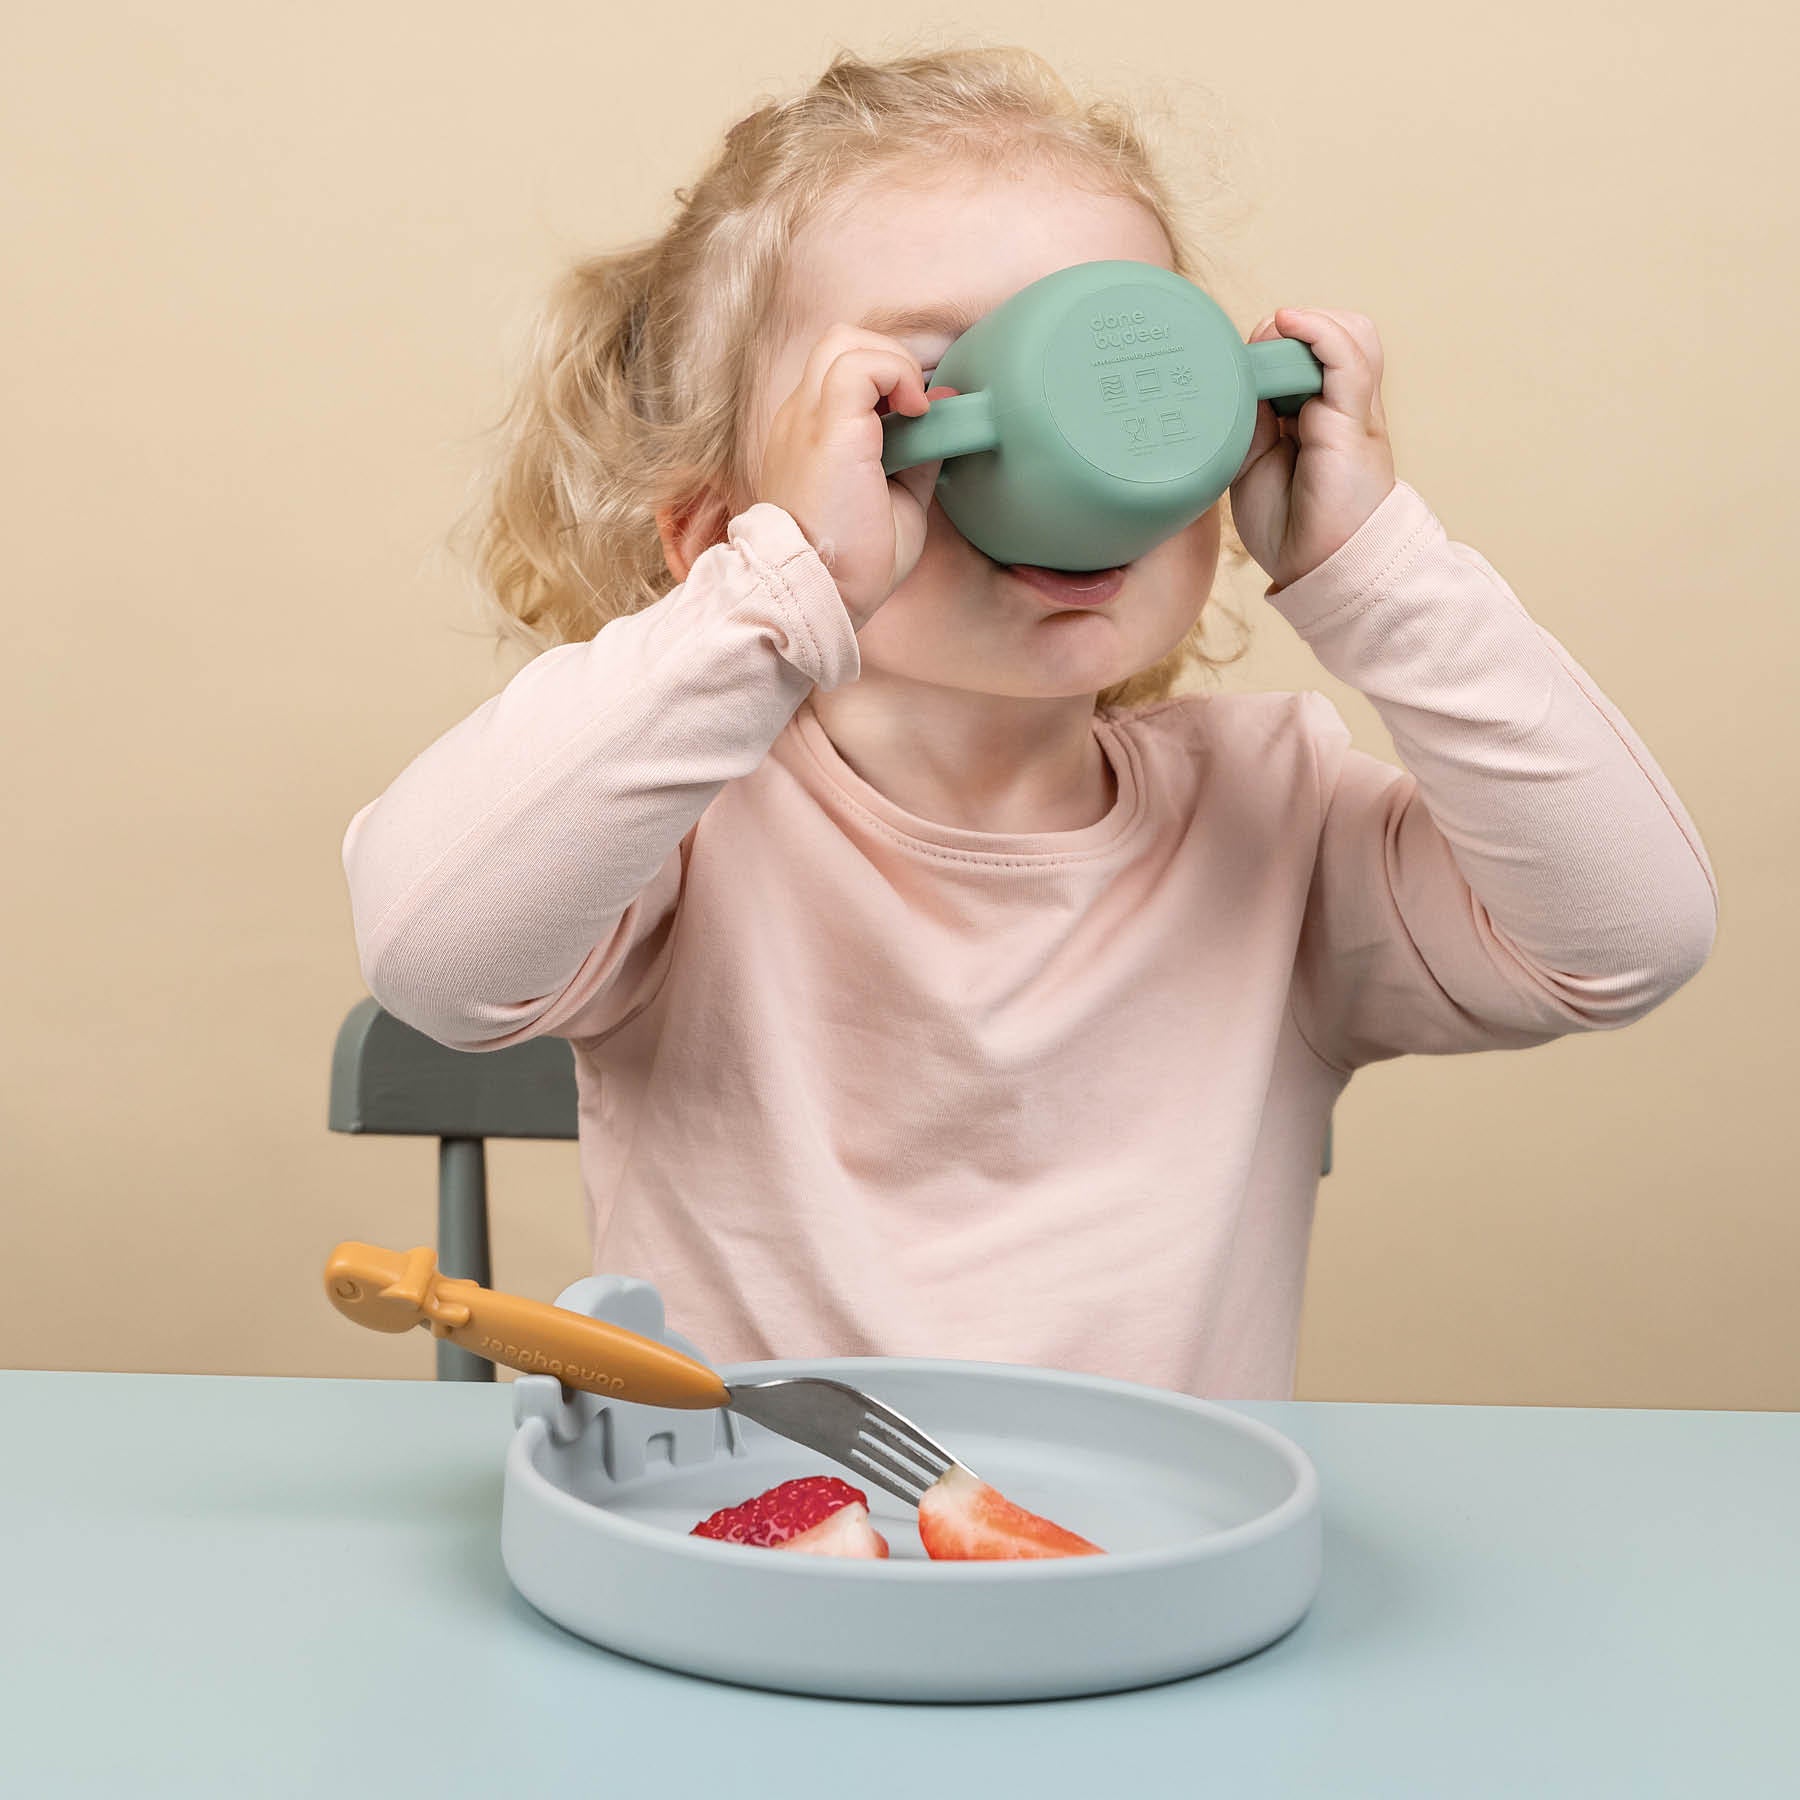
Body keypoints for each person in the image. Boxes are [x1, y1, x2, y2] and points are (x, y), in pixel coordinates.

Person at [340, 46, 1717, 1399]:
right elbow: (435, 955)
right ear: (724, 532)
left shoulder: (1275, 819)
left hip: (1149, 1584)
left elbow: (1626, 938)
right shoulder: (686, 833)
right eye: (923, 385)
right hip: (761, 1567)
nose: (1073, 430)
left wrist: (1375, 572)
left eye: (1122, 349)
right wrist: (769, 603)